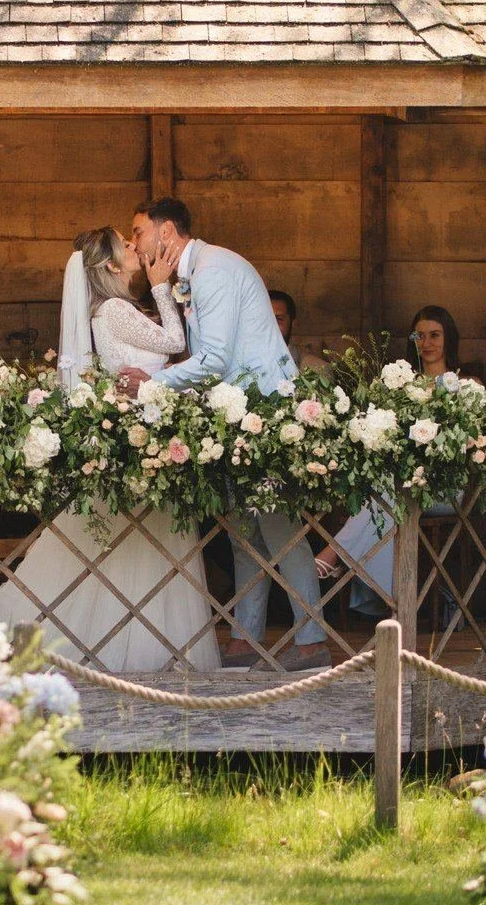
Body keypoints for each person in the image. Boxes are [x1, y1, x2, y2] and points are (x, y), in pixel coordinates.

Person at [0, 228, 220, 672]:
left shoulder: (111, 310)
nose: (136, 248)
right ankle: (133, 655)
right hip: (140, 442)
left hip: (142, 435)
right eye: (126, 246)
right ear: (112, 266)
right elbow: (175, 343)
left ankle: (132, 651)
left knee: (135, 555)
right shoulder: (113, 309)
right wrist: (159, 288)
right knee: (140, 554)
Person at [124, 199, 328, 670]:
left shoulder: (213, 270)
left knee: (277, 525)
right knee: (243, 533)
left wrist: (154, 385)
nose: (134, 242)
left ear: (167, 232)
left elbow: (213, 359)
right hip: (234, 415)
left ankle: (313, 640)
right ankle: (245, 637)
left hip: (262, 413)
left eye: (138, 232)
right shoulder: (195, 274)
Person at [314, 305, 464, 616]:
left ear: (448, 338)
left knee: (385, 493)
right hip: (400, 486)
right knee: (388, 493)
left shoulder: (463, 386)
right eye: (419, 336)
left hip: (443, 487)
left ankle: (335, 554)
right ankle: (394, 600)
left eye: (435, 335)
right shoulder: (401, 386)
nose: (427, 343)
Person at [269, 289, 321, 372]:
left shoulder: (316, 369)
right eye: (263, 319)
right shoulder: (242, 364)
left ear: (293, 323)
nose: (269, 326)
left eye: (278, 319)